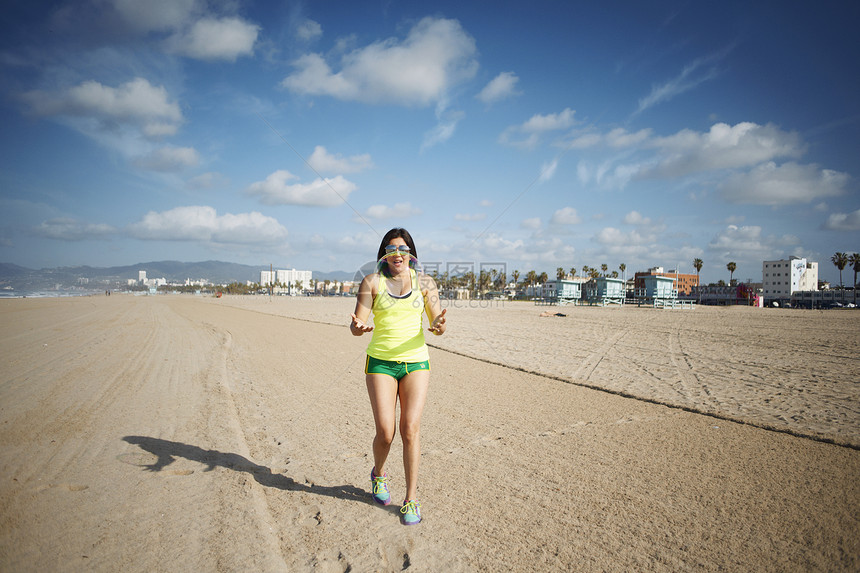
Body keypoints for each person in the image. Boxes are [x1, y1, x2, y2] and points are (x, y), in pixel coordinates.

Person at [349, 228, 447, 525]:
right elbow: (357, 325)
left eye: (403, 249)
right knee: (386, 432)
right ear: (384, 254)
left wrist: (440, 324)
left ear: (410, 253)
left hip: (416, 362)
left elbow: (437, 325)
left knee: (410, 428)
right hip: (381, 362)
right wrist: (358, 327)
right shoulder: (372, 282)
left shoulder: (425, 283)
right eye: (391, 249)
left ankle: (411, 499)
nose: (397, 254)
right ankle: (378, 474)